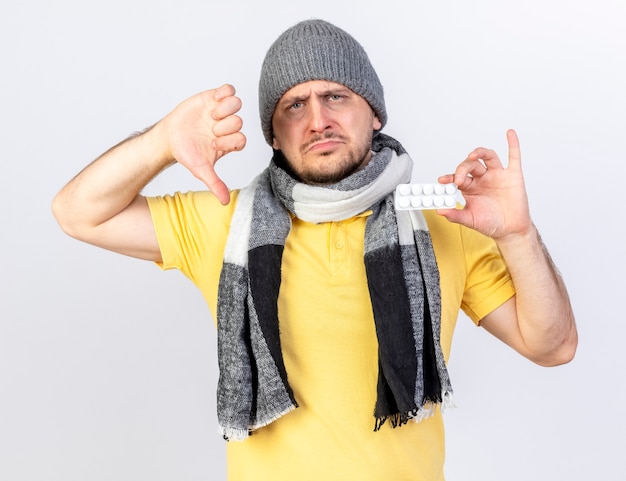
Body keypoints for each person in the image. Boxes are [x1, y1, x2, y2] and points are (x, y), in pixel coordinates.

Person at [52, 18, 577, 481]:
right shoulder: (224, 221)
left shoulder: (444, 222)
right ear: (273, 136)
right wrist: (161, 141)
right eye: (294, 105)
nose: (317, 119)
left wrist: (517, 235)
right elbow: (77, 212)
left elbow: (552, 346)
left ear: (374, 113)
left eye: (337, 96)